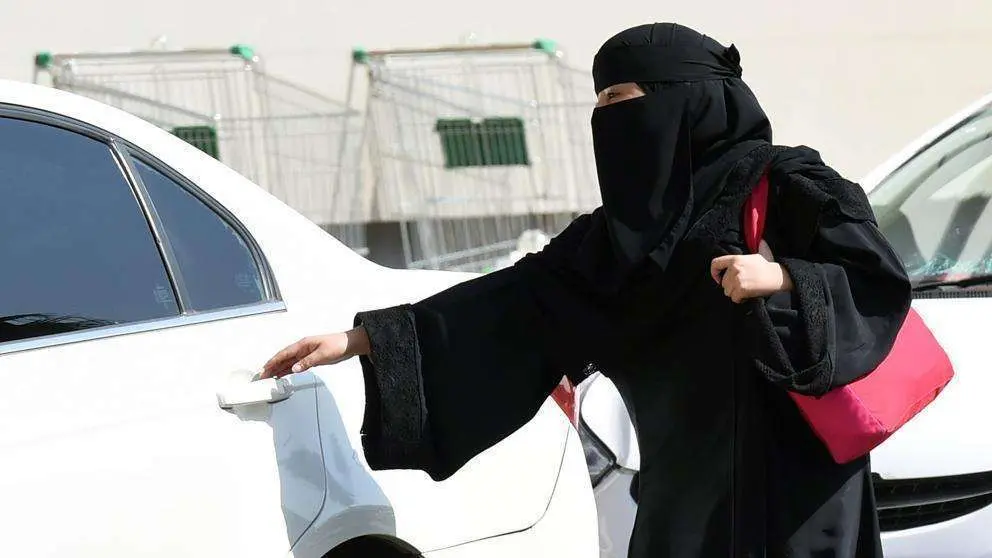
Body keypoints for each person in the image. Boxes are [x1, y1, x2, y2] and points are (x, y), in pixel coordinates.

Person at [262, 22, 911, 558]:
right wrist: (366, 338)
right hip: (680, 504)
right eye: (598, 104)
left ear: (685, 99)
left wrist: (784, 280)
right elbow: (516, 303)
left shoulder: (790, 182)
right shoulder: (613, 240)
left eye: (621, 101)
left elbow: (876, 281)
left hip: (796, 497)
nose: (606, 119)